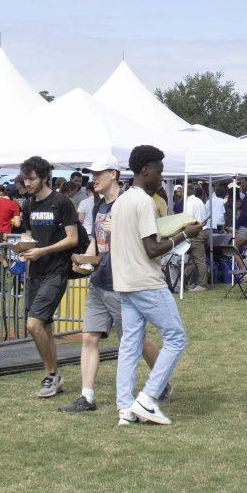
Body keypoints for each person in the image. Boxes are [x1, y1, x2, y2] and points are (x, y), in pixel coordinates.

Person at [60, 157, 165, 414]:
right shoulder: (98, 207)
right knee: (89, 337)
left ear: (114, 174)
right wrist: (86, 261)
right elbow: (97, 242)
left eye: (98, 173)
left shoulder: (128, 204)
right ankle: (87, 396)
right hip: (98, 283)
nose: (93, 178)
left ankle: (161, 383)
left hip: (121, 285)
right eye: (92, 173)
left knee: (137, 341)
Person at [113, 145, 202, 426]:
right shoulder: (143, 202)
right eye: (160, 173)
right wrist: (183, 235)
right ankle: (148, 399)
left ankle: (125, 407)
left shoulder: (121, 201)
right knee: (176, 338)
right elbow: (152, 249)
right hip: (146, 281)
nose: (161, 179)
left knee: (130, 344)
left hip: (125, 282)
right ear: (145, 170)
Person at [17, 156, 78, 399]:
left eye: (31, 179)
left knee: (33, 324)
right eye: (25, 179)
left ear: (44, 177)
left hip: (56, 271)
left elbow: (72, 239)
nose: (28, 183)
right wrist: (22, 248)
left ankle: (51, 375)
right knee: (46, 327)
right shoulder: (28, 205)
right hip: (35, 272)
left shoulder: (61, 202)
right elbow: (28, 236)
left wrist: (43, 250)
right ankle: (52, 376)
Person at [183, 183, 210, 291]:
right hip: (203, 231)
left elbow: (188, 220)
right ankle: (195, 282)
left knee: (199, 260)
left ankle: (202, 284)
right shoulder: (199, 200)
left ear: (186, 191)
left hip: (196, 232)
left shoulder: (189, 202)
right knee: (194, 259)